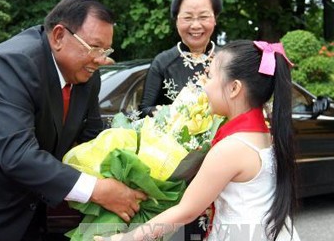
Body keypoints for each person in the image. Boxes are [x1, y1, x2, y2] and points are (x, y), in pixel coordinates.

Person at [0, 0, 146, 241]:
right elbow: (17, 154)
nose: (101, 59)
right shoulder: (11, 63)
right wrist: (97, 190)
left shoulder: (87, 76)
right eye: (94, 47)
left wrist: (134, 172)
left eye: (106, 50)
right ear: (58, 36)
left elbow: (92, 139)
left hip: (30, 202)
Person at [95, 40, 300, 241]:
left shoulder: (232, 148)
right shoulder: (265, 135)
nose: (205, 86)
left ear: (234, 88)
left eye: (209, 76)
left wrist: (125, 238)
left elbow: (186, 211)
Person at [139, 0, 223, 117]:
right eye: (188, 17)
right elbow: (144, 111)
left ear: (215, 19)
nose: (196, 25)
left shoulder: (227, 60)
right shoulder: (162, 63)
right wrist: (177, 113)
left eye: (203, 17)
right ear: (176, 20)